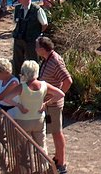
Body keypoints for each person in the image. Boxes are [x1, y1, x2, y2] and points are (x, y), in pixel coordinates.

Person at [0, 60, 65, 156]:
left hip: (23, 120)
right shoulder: (44, 85)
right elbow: (60, 94)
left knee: (23, 149)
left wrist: (19, 106)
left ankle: (25, 169)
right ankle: (43, 168)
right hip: (38, 120)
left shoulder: (22, 87)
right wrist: (46, 103)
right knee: (41, 147)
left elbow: (6, 99)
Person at [36, 37, 72, 174]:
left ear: (42, 49)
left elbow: (68, 80)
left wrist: (58, 95)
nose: (35, 49)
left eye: (36, 46)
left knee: (57, 133)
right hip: (49, 103)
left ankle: (61, 164)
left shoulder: (55, 61)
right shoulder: (48, 59)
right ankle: (57, 159)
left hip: (54, 105)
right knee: (55, 132)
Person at [12, 0, 48, 77]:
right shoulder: (17, 9)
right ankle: (17, 80)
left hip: (31, 41)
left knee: (33, 62)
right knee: (17, 62)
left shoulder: (37, 10)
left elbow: (44, 24)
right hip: (19, 39)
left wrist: (36, 33)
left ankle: (34, 80)